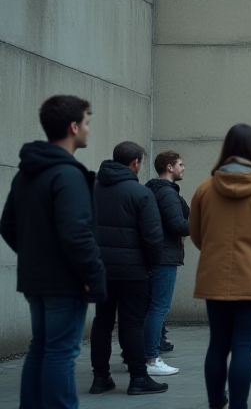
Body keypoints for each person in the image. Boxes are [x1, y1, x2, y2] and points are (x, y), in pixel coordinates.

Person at [1, 95, 107, 409]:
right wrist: (93, 275)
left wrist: (37, 257)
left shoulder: (27, 173)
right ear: (74, 127)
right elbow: (77, 233)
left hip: (37, 279)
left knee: (41, 348)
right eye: (87, 123)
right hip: (64, 282)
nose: (89, 130)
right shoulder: (68, 174)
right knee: (60, 352)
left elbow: (8, 225)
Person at [190, 124, 251, 409]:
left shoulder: (205, 189)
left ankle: (214, 403)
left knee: (218, 344)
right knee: (245, 346)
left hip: (214, 276)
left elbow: (197, 235)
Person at [89, 141, 168, 396]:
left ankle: (100, 378)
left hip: (101, 269)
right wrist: (151, 264)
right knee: (132, 323)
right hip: (133, 271)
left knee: (102, 322)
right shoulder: (140, 194)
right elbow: (153, 236)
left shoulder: (93, 189)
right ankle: (138, 378)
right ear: (135, 163)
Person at [143, 150, 190, 376]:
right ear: (169, 168)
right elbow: (178, 225)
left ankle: (145, 356)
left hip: (154, 256)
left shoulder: (153, 189)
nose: (183, 168)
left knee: (150, 308)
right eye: (180, 164)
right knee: (159, 307)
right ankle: (151, 360)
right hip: (165, 256)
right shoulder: (167, 193)